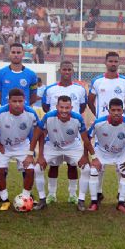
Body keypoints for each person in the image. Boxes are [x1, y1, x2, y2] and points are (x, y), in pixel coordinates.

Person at [31, 95, 93, 211]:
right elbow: (38, 135)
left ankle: (79, 199)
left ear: (71, 107)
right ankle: (44, 198)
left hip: (73, 146)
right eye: (61, 107)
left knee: (86, 169)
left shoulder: (78, 118)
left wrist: (88, 156)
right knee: (38, 168)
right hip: (53, 146)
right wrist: (40, 155)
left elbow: (86, 139)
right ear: (56, 107)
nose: (64, 111)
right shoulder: (48, 117)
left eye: (67, 108)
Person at [41, 61, 88, 206]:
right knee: (53, 166)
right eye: (64, 69)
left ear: (72, 71)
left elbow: (82, 106)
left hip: (72, 133)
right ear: (59, 71)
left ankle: (73, 195)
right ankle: (52, 194)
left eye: (69, 69)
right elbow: (45, 107)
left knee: (72, 165)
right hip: (54, 133)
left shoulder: (80, 89)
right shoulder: (50, 89)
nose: (66, 72)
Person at [0, 88, 39, 211]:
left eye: (20, 101)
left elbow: (38, 131)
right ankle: (4, 200)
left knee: (30, 171)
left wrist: (31, 153)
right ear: (8, 101)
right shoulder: (0, 112)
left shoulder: (31, 113)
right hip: (4, 146)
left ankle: (25, 198)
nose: (17, 104)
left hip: (23, 145)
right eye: (14, 101)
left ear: (24, 101)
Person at [86, 98, 125, 213]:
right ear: (108, 110)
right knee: (94, 171)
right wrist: (92, 157)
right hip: (101, 151)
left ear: (122, 110)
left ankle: (121, 202)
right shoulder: (99, 123)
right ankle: (94, 201)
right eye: (113, 110)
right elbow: (87, 138)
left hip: (121, 153)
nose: (116, 113)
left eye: (118, 110)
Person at [88, 52, 125, 117]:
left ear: (119, 63)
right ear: (105, 63)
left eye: (116, 61)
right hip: (102, 121)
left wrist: (122, 114)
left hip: (119, 121)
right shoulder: (96, 81)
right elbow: (90, 102)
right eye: (110, 61)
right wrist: (98, 115)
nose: (113, 64)